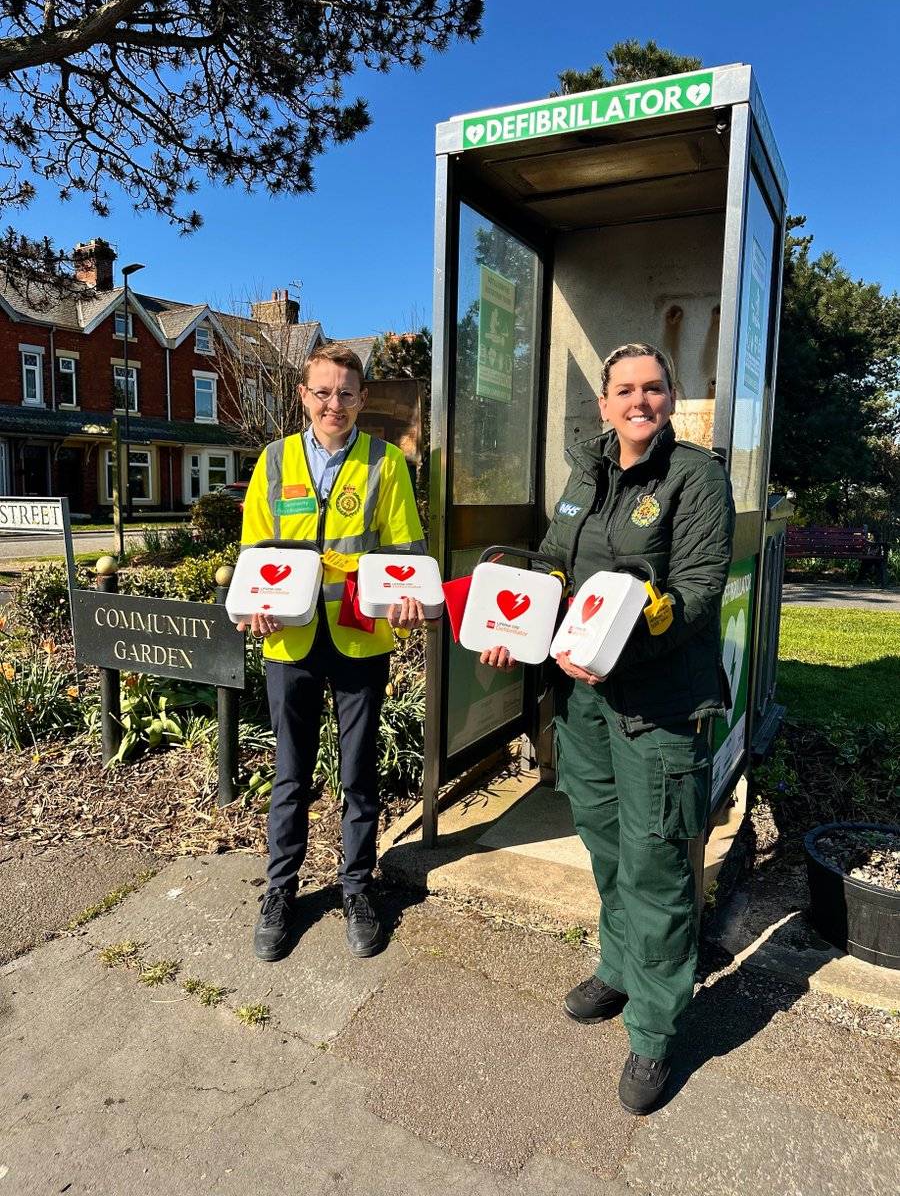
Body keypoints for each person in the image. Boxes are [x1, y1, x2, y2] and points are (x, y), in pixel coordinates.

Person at [481, 343, 734, 1115]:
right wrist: (518, 619)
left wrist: (624, 634)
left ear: (670, 397)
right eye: (624, 389)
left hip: (657, 703)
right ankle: (621, 968)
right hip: (583, 700)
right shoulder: (586, 471)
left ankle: (655, 1032)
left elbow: (694, 592)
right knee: (602, 838)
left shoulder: (696, 477)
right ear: (604, 401)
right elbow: (557, 561)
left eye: (653, 388)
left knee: (656, 859)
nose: (638, 401)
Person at [238, 343, 427, 962]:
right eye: (322, 392)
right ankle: (281, 891)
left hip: (359, 637)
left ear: (362, 399)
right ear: (303, 395)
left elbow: (407, 554)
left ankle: (356, 888)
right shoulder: (273, 462)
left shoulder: (385, 464)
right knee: (290, 774)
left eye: (346, 393)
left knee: (358, 773)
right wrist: (252, 602)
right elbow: (254, 558)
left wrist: (407, 596)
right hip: (289, 639)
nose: (334, 404)